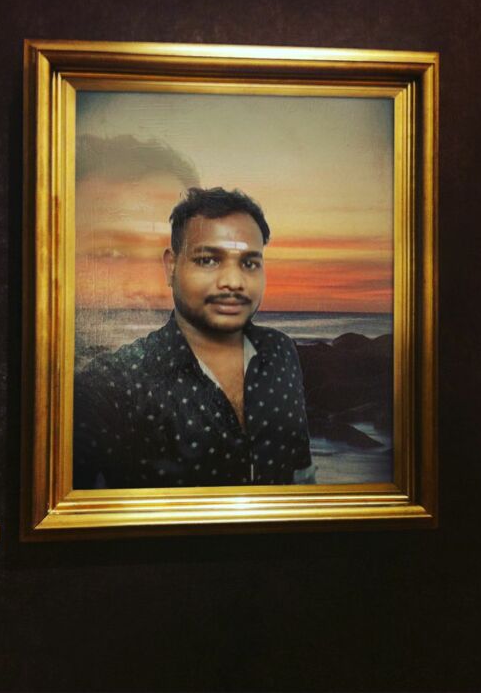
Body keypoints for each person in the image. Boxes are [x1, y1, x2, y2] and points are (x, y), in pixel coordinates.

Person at [73, 187, 315, 488]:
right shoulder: (113, 384)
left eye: (249, 263)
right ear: (171, 267)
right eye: (208, 260)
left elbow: (302, 474)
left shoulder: (280, 351)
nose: (233, 282)